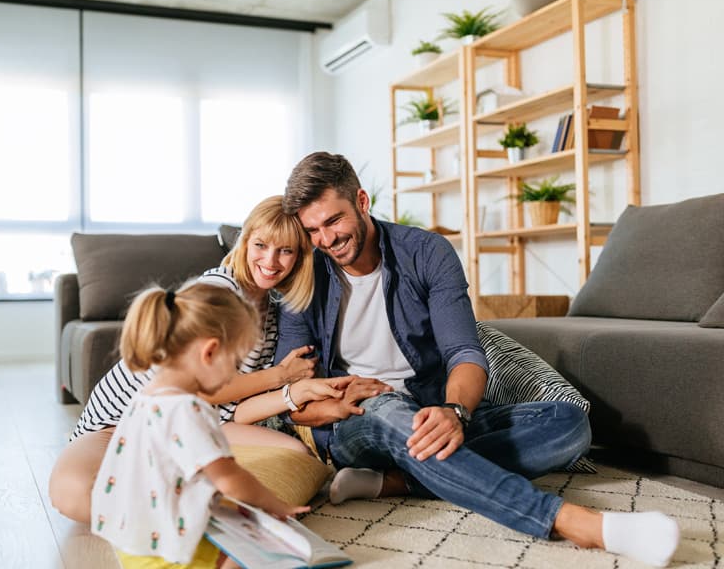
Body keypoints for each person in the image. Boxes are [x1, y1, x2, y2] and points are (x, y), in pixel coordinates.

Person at [275, 151, 680, 568]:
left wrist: (454, 411)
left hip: (430, 408)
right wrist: (340, 404)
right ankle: (576, 523)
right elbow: (292, 401)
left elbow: (464, 351)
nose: (324, 239)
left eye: (333, 221)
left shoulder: (425, 252)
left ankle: (399, 482)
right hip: (357, 422)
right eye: (312, 230)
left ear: (361, 201)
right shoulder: (305, 273)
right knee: (390, 410)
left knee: (569, 425)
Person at [50, 195, 354, 523]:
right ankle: (179, 508)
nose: (271, 260)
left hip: (199, 421)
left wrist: (293, 394)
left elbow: (233, 411)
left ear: (299, 257)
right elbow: (207, 391)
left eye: (285, 250)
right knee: (78, 493)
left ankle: (200, 507)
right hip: (121, 424)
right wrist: (281, 376)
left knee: (297, 457)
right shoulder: (218, 291)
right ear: (244, 241)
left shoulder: (274, 313)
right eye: (261, 245)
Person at [91, 280, 310, 568]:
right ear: (210, 352)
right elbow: (230, 478)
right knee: (268, 552)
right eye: (236, 363)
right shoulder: (188, 409)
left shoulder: (146, 397)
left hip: (133, 543)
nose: (235, 375)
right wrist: (275, 504)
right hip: (170, 551)